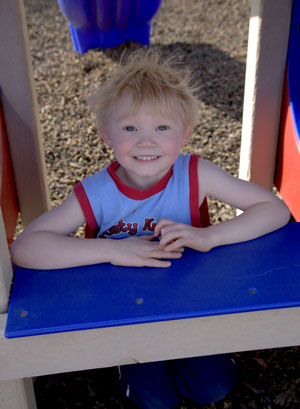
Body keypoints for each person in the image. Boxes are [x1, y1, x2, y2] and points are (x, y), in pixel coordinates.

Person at [10, 52, 290, 408]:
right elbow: (26, 247)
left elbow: (274, 209)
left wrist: (210, 236)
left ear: (185, 133)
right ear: (106, 135)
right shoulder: (97, 193)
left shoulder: (195, 174)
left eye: (162, 127)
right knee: (155, 401)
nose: (146, 142)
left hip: (190, 302)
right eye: (130, 128)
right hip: (125, 313)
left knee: (212, 390)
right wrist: (115, 249)